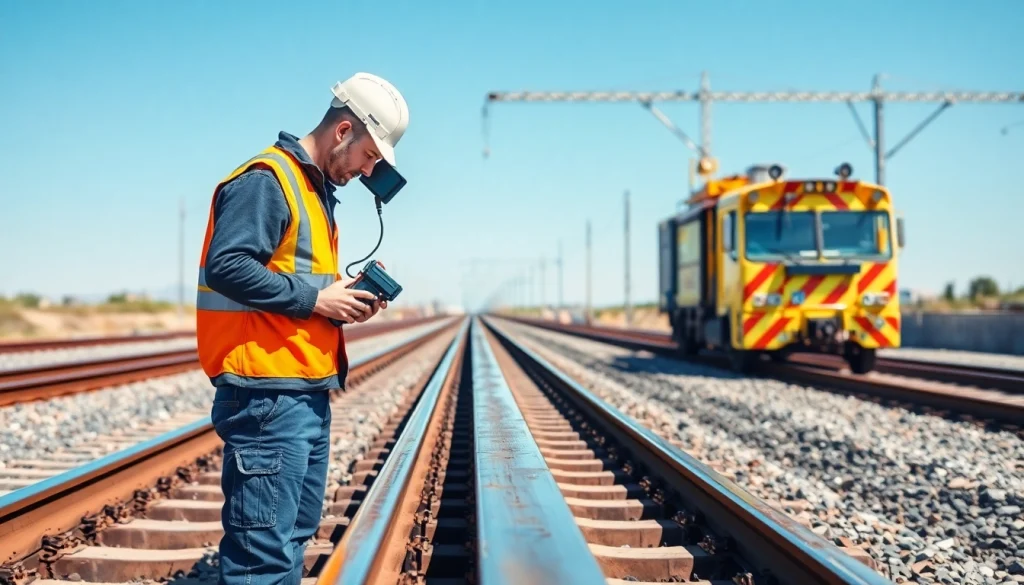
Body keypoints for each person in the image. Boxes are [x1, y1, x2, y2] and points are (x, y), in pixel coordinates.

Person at [194, 72, 409, 585]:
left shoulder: (315, 193)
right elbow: (229, 265)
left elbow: (293, 279)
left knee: (291, 540)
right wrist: (317, 299)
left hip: (304, 391)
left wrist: (341, 297)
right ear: (343, 132)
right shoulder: (267, 179)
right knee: (261, 558)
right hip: (266, 394)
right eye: (369, 156)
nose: (367, 170)